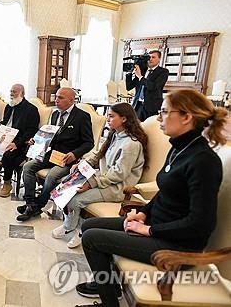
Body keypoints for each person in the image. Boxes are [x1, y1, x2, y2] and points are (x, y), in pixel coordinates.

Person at [74, 89, 227, 307]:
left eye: (164, 112)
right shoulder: (179, 148)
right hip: (159, 226)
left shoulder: (204, 161)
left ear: (186, 117)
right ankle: (111, 285)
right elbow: (165, 193)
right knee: (89, 225)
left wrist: (149, 230)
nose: (158, 118)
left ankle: (109, 303)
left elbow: (201, 223)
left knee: (92, 239)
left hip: (176, 245)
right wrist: (144, 214)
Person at [52, 102, 148, 248]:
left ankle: (74, 229)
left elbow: (118, 174)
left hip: (117, 188)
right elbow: (98, 155)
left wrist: (90, 183)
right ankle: (73, 225)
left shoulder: (131, 145)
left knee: (74, 200)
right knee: (65, 186)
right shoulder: (115, 135)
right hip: (104, 179)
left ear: (124, 119)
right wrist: (82, 164)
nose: (107, 119)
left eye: (111, 116)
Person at [17, 87, 94, 222]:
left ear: (71, 100)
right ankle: (30, 203)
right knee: (28, 167)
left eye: (60, 98)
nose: (56, 100)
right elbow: (50, 136)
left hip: (68, 158)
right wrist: (37, 140)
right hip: (51, 154)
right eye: (56, 96)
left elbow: (89, 143)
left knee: (51, 176)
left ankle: (37, 206)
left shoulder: (82, 117)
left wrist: (74, 154)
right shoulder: (55, 114)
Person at [0, 84, 39, 197]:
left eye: (15, 92)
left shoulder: (31, 109)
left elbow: (31, 131)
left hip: (19, 142)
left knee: (7, 155)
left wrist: (17, 143)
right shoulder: (9, 106)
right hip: (4, 138)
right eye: (11, 91)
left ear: (22, 93)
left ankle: (7, 183)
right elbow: (3, 124)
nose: (12, 94)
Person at [126, 50, 169, 121]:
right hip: (138, 105)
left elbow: (153, 87)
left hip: (152, 107)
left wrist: (140, 77)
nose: (150, 59)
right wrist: (129, 73)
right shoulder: (142, 71)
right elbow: (129, 87)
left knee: (149, 128)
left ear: (159, 59)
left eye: (153, 57)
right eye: (149, 57)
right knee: (137, 128)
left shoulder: (163, 72)